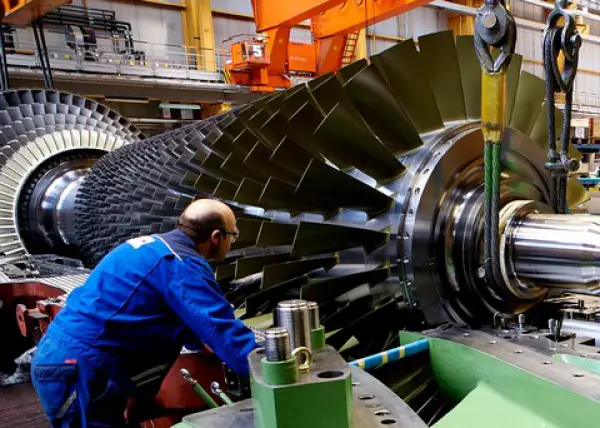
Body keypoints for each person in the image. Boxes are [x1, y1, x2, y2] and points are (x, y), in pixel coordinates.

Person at [30, 199, 257, 427]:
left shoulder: (150, 246)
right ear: (217, 237)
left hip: (62, 358)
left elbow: (170, 312)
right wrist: (270, 367)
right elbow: (222, 330)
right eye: (232, 235)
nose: (232, 242)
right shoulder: (181, 264)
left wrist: (200, 340)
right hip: (81, 371)